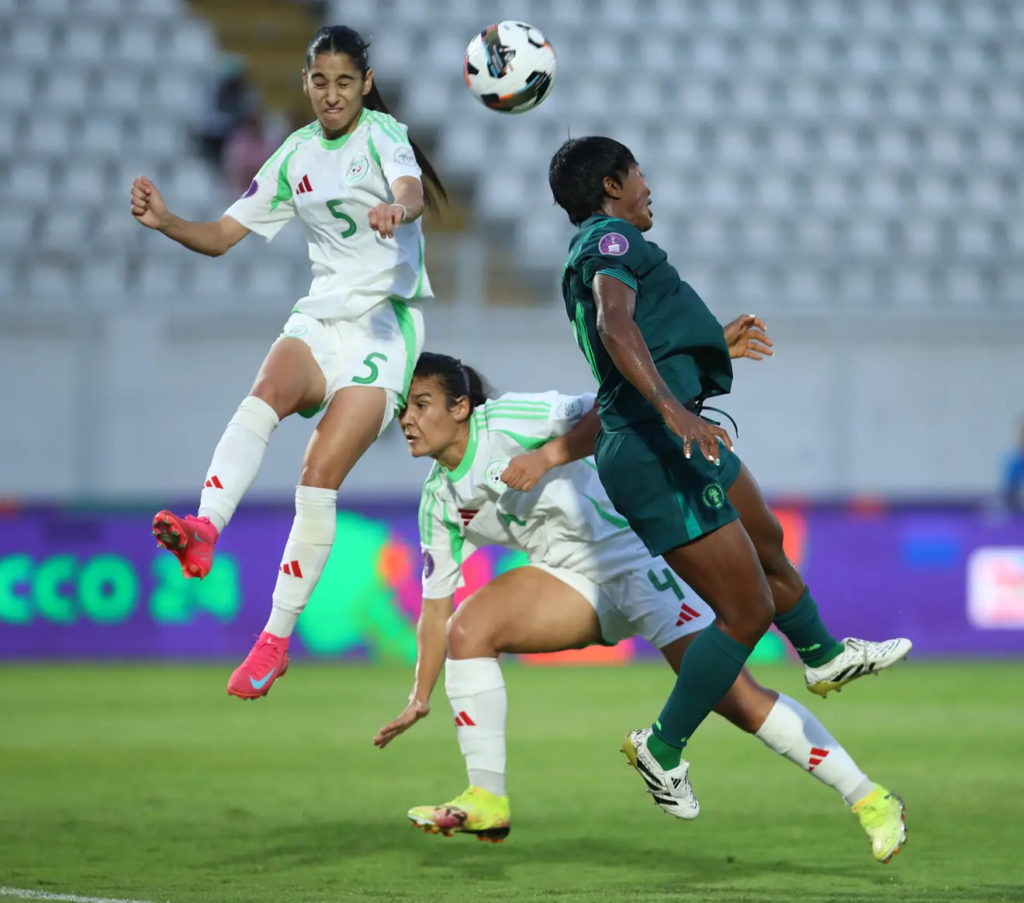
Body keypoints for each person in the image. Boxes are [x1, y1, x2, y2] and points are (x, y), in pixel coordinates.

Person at [372, 353, 907, 863]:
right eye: (403, 410)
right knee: (468, 628)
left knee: (739, 701)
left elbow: (610, 410)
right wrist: (420, 697)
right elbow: (435, 609)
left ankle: (870, 798)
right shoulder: (439, 500)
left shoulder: (507, 421)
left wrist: (547, 455)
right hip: (569, 580)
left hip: (642, 560)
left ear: (461, 407)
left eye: (421, 404)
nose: (407, 421)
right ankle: (486, 799)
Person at [548, 137, 911, 815]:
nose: (648, 186)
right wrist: (671, 410)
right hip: (656, 444)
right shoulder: (610, 242)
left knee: (767, 540)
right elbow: (615, 324)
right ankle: (662, 748)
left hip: (672, 433)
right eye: (638, 174)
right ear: (611, 185)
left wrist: (710, 343)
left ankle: (823, 654)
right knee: (746, 611)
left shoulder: (603, 245)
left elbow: (644, 333)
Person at [130, 25, 446, 699]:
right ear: (305, 83)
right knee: (265, 392)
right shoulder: (295, 153)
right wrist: (168, 221)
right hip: (321, 318)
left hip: (382, 330)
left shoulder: (384, 134)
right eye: (320, 82)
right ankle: (204, 528)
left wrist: (398, 207)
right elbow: (223, 235)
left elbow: (411, 189)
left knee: (317, 474)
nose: (332, 95)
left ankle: (274, 641)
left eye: (344, 82)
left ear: (365, 84)